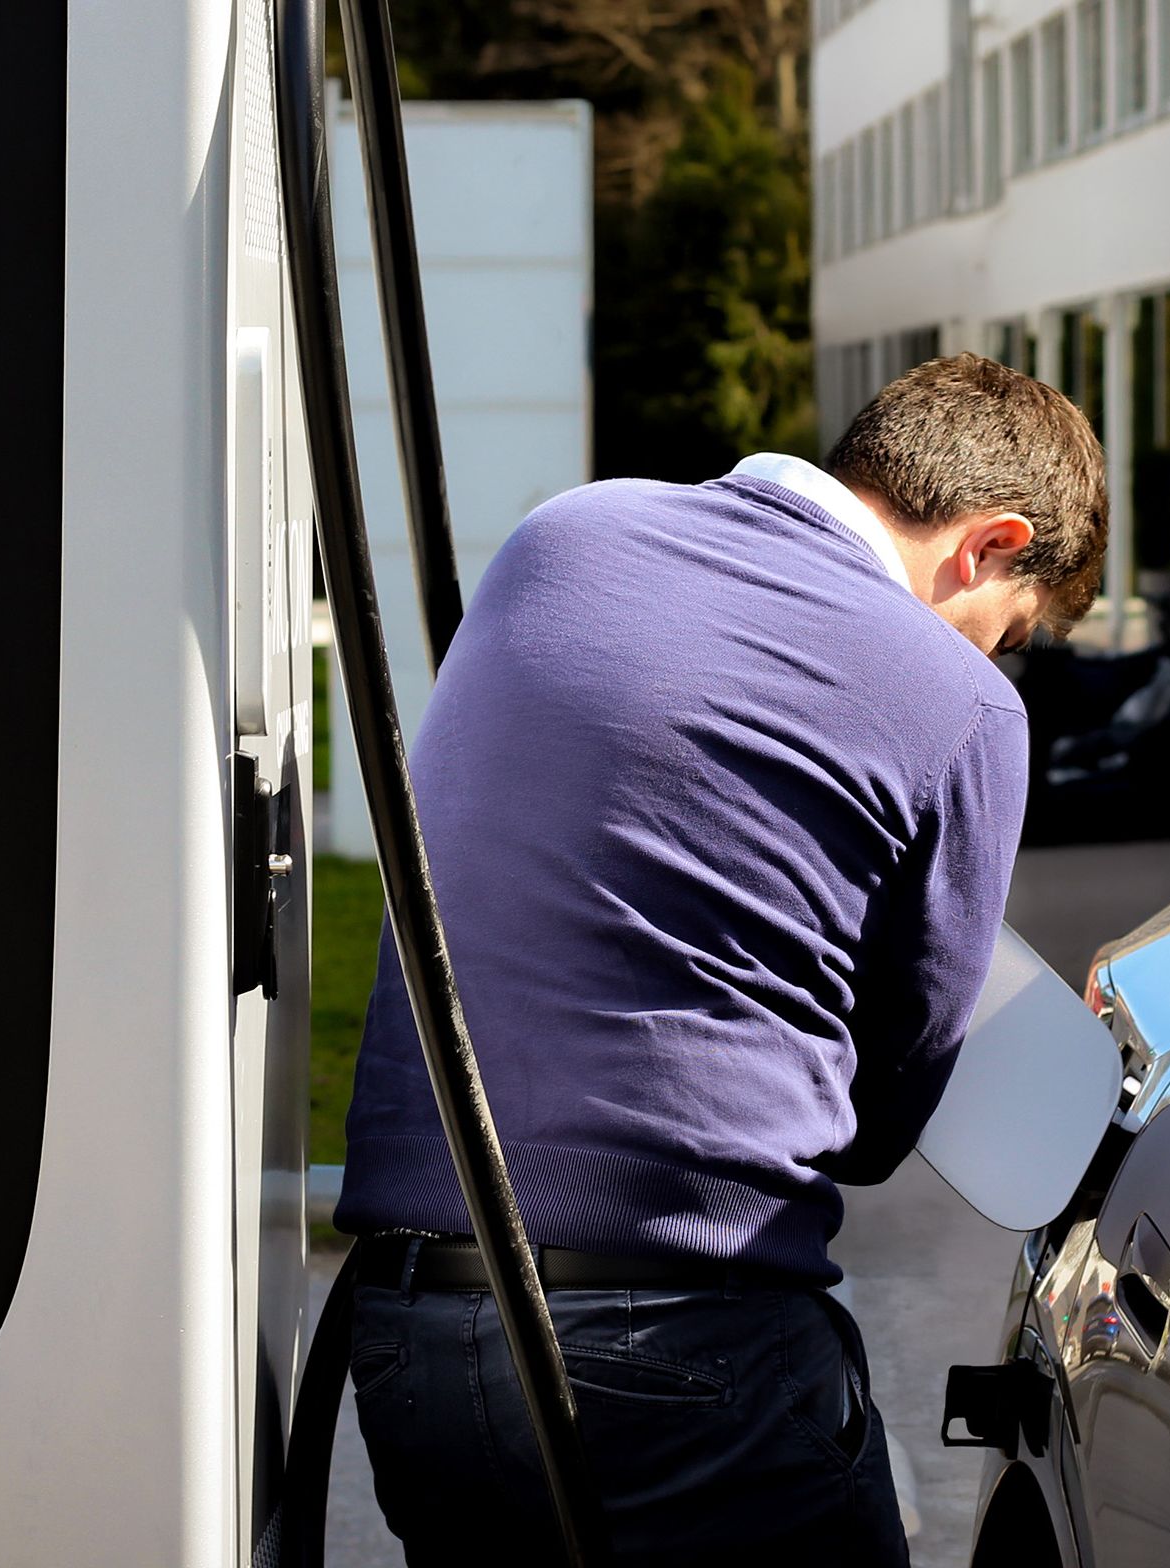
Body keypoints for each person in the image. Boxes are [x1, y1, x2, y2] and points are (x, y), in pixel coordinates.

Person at [334, 353, 1108, 1564]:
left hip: (412, 1338)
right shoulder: (964, 706)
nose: (991, 660)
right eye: (1008, 632)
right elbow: (879, 1118)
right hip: (682, 1343)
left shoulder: (563, 536)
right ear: (990, 544)